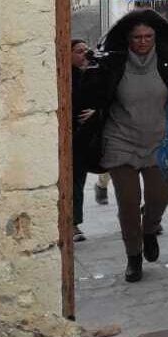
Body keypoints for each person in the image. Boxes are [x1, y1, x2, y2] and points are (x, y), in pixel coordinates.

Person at [92, 10, 168, 282]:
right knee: (128, 204)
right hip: (121, 139)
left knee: (159, 197)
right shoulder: (113, 63)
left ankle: (150, 228)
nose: (142, 41)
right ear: (127, 39)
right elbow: (96, 94)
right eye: (136, 37)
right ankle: (133, 256)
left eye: (148, 36)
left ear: (156, 36)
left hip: (157, 140)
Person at [69, 38, 107, 241]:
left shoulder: (94, 73)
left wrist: (96, 112)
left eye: (86, 49)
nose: (84, 54)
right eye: (78, 51)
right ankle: (73, 223)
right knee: (75, 180)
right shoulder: (68, 78)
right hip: (74, 136)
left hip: (93, 136)